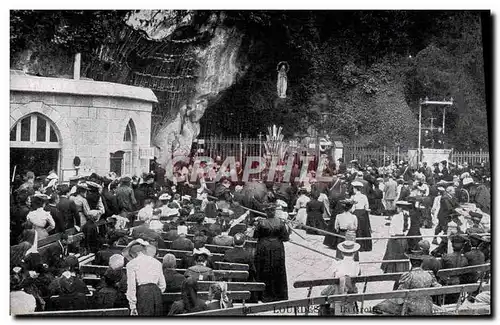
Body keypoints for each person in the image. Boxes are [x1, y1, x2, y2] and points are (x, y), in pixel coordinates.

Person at [373, 250, 441, 315]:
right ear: (422, 262)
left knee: (379, 306)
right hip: (427, 307)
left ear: (410, 261)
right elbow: (438, 287)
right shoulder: (429, 274)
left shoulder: (408, 276)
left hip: (410, 309)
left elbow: (399, 297)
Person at [254, 204, 290, 302]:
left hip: (264, 247)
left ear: (266, 212)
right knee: (278, 269)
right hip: (277, 247)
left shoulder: (261, 223)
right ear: (274, 212)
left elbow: (255, 235)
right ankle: (279, 294)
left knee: (263, 269)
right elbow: (286, 238)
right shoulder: (281, 223)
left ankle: (264, 294)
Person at [319, 240, 361, 316]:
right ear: (354, 253)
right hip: (350, 293)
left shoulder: (337, 264)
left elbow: (332, 278)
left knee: (325, 294)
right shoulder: (357, 265)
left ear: (341, 253)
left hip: (338, 293)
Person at [125, 240, 166, 316]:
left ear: (134, 254)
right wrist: (155, 292)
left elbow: (131, 286)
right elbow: (163, 285)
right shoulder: (157, 262)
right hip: (156, 293)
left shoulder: (131, 264)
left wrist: (132, 305)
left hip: (143, 293)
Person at [381, 201, 411, 273]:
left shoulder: (395, 217)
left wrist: (392, 235)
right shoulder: (408, 217)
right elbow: (407, 229)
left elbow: (391, 230)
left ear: (399, 208)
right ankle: (402, 269)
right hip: (403, 238)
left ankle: (390, 270)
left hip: (395, 238)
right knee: (402, 254)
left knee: (391, 254)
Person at [439, 235, 469, 304]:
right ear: (462, 247)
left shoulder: (445, 257)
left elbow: (440, 272)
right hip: (459, 285)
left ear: (452, 245)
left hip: (447, 285)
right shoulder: (465, 260)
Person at [351, 181, 372, 252]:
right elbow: (367, 206)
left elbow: (352, 207)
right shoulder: (364, 196)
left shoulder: (353, 197)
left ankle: (358, 245)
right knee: (364, 228)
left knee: (357, 229)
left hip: (356, 213)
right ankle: (366, 246)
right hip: (363, 213)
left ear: (355, 189)